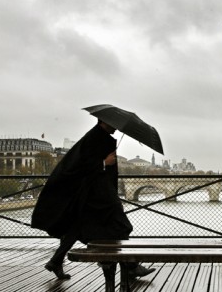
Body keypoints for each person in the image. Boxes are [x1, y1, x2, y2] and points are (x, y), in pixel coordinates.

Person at [31, 119, 155, 279]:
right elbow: (78, 166)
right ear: (104, 121)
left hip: (94, 193)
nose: (116, 127)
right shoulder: (94, 138)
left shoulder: (100, 137)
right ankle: (130, 266)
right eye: (113, 124)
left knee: (77, 227)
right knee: (120, 225)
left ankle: (56, 261)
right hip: (94, 195)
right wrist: (104, 162)